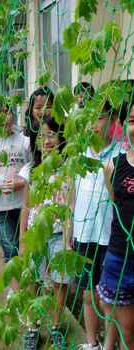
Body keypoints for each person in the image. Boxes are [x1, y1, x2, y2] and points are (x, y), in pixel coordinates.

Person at [19, 115, 70, 350]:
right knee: (34, 283)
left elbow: (69, 208)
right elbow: (26, 206)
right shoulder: (31, 170)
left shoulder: (67, 169)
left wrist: (69, 241)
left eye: (52, 134)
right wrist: (22, 239)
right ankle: (33, 327)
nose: (47, 140)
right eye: (42, 135)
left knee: (60, 282)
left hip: (59, 235)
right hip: (35, 236)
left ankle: (56, 327)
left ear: (61, 138)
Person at [72, 101, 119, 350]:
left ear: (112, 120)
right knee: (87, 294)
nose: (93, 124)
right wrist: (70, 231)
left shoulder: (120, 153)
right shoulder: (78, 154)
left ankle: (109, 345)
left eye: (100, 118)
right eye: (89, 118)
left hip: (110, 236)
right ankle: (91, 342)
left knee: (108, 300)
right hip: (83, 235)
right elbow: (72, 194)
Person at [97, 99, 134, 350]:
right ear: (122, 124)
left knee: (126, 331)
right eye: (132, 121)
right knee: (122, 327)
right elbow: (116, 203)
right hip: (120, 256)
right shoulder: (112, 166)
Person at [0, 103, 30, 287]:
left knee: (26, 251)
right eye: (0, 113)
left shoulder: (24, 141)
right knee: (11, 252)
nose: (5, 117)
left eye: (8, 112)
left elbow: (33, 167)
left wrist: (21, 182)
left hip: (23, 205)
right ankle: (16, 292)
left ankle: (29, 288)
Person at [24, 86, 55, 167]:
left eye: (48, 107)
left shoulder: (62, 132)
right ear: (31, 110)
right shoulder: (24, 138)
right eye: (38, 108)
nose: (43, 111)